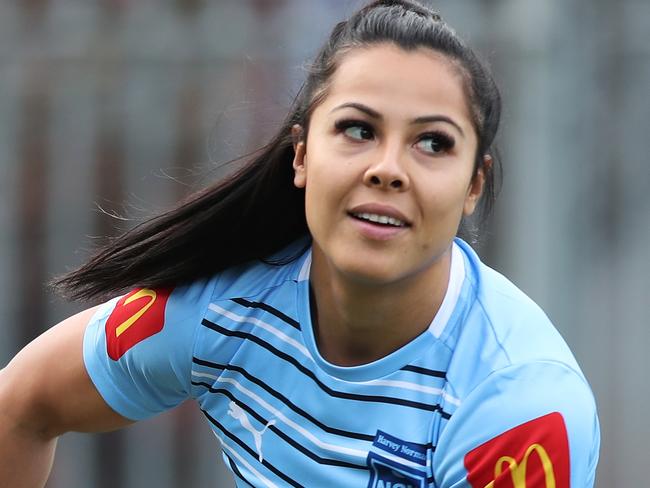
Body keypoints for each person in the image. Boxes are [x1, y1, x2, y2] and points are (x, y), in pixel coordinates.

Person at [0, 1, 600, 486]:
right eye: (358, 130)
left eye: (433, 143)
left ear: (474, 185)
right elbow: (19, 407)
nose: (388, 168)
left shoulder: (519, 408)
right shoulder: (217, 306)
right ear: (302, 156)